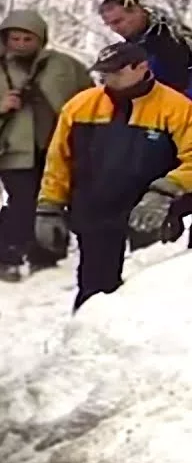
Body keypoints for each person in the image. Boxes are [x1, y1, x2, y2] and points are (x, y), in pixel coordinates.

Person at [34, 42, 192, 312]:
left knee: (148, 293)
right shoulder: (81, 106)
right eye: (103, 73)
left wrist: (166, 191)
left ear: (141, 67)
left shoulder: (176, 108)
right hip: (94, 214)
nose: (107, 79)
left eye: (116, 72)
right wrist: (49, 207)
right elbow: (59, 161)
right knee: (94, 292)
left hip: (150, 216)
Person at [0, 9, 95, 281]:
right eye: (15, 38)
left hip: (57, 145)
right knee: (24, 202)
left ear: (41, 39)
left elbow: (91, 98)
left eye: (27, 39)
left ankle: (45, 256)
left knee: (54, 200)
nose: (20, 45)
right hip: (12, 147)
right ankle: (4, 253)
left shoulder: (64, 65)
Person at [97, 0, 192, 99]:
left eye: (118, 21)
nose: (115, 29)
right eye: (109, 24)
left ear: (137, 11)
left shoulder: (172, 38)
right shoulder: (131, 47)